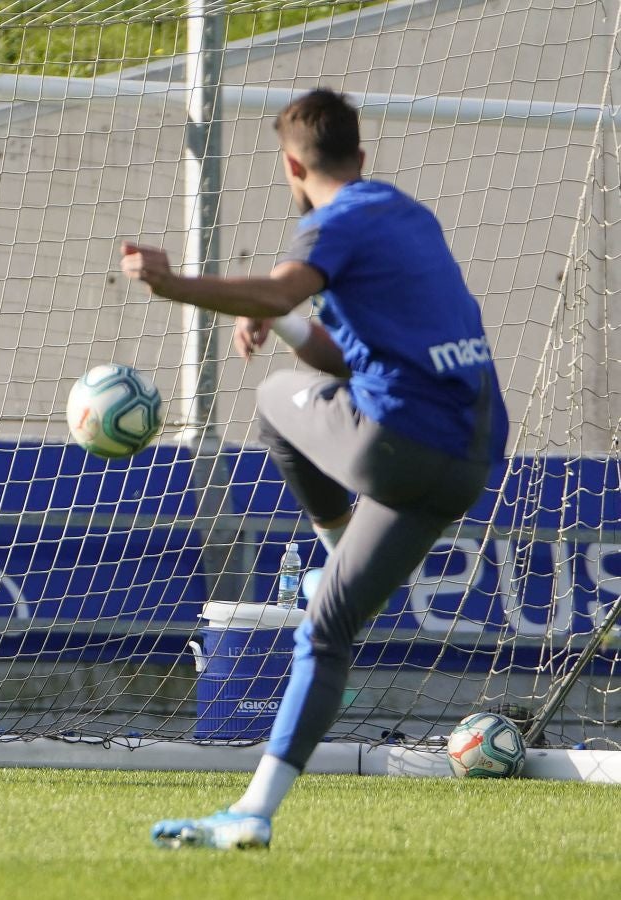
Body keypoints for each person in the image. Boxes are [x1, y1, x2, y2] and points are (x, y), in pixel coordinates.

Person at [120, 88, 508, 849]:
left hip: (393, 444)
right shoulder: (410, 218)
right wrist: (289, 318)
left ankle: (331, 542)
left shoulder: (333, 224)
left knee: (270, 398)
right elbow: (340, 358)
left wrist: (177, 286)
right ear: (363, 159)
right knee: (326, 629)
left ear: (292, 166)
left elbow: (278, 286)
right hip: (468, 459)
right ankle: (253, 815)